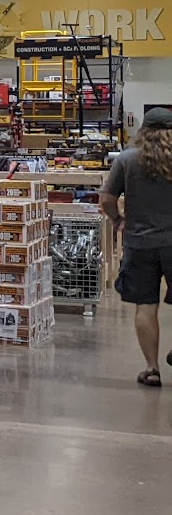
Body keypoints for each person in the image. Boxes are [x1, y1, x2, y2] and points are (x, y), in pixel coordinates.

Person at [100, 106, 172, 386]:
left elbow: (106, 199)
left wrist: (118, 219)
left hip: (140, 243)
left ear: (143, 130)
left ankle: (152, 368)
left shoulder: (127, 160)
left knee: (146, 305)